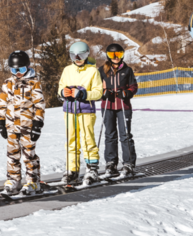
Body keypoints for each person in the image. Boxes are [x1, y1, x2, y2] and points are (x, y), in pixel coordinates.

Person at [0, 50, 45, 196]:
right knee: (12, 154)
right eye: (14, 70)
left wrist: (37, 124)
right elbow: (2, 104)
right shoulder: (7, 83)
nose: (18, 73)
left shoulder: (34, 83)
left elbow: (39, 105)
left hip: (27, 126)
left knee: (29, 155)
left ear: (28, 67)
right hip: (11, 126)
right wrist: (1, 121)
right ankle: (13, 180)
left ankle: (33, 181)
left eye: (21, 70)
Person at [58, 40, 105, 188]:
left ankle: (92, 169)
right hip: (70, 110)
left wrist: (83, 94)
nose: (78, 59)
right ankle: (72, 169)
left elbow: (98, 92)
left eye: (81, 56)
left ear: (87, 55)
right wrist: (63, 92)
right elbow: (60, 87)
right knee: (71, 140)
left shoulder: (93, 71)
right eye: (74, 56)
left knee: (87, 139)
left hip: (85, 110)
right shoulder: (67, 70)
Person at [98, 43, 139, 178]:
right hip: (108, 106)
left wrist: (127, 93)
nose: (116, 57)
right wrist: (104, 93)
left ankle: (128, 163)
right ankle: (111, 163)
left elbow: (133, 86)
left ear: (122, 55)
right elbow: (97, 87)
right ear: (108, 56)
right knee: (110, 135)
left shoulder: (127, 70)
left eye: (119, 54)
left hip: (123, 106)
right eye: (112, 55)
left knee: (125, 135)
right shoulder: (102, 70)